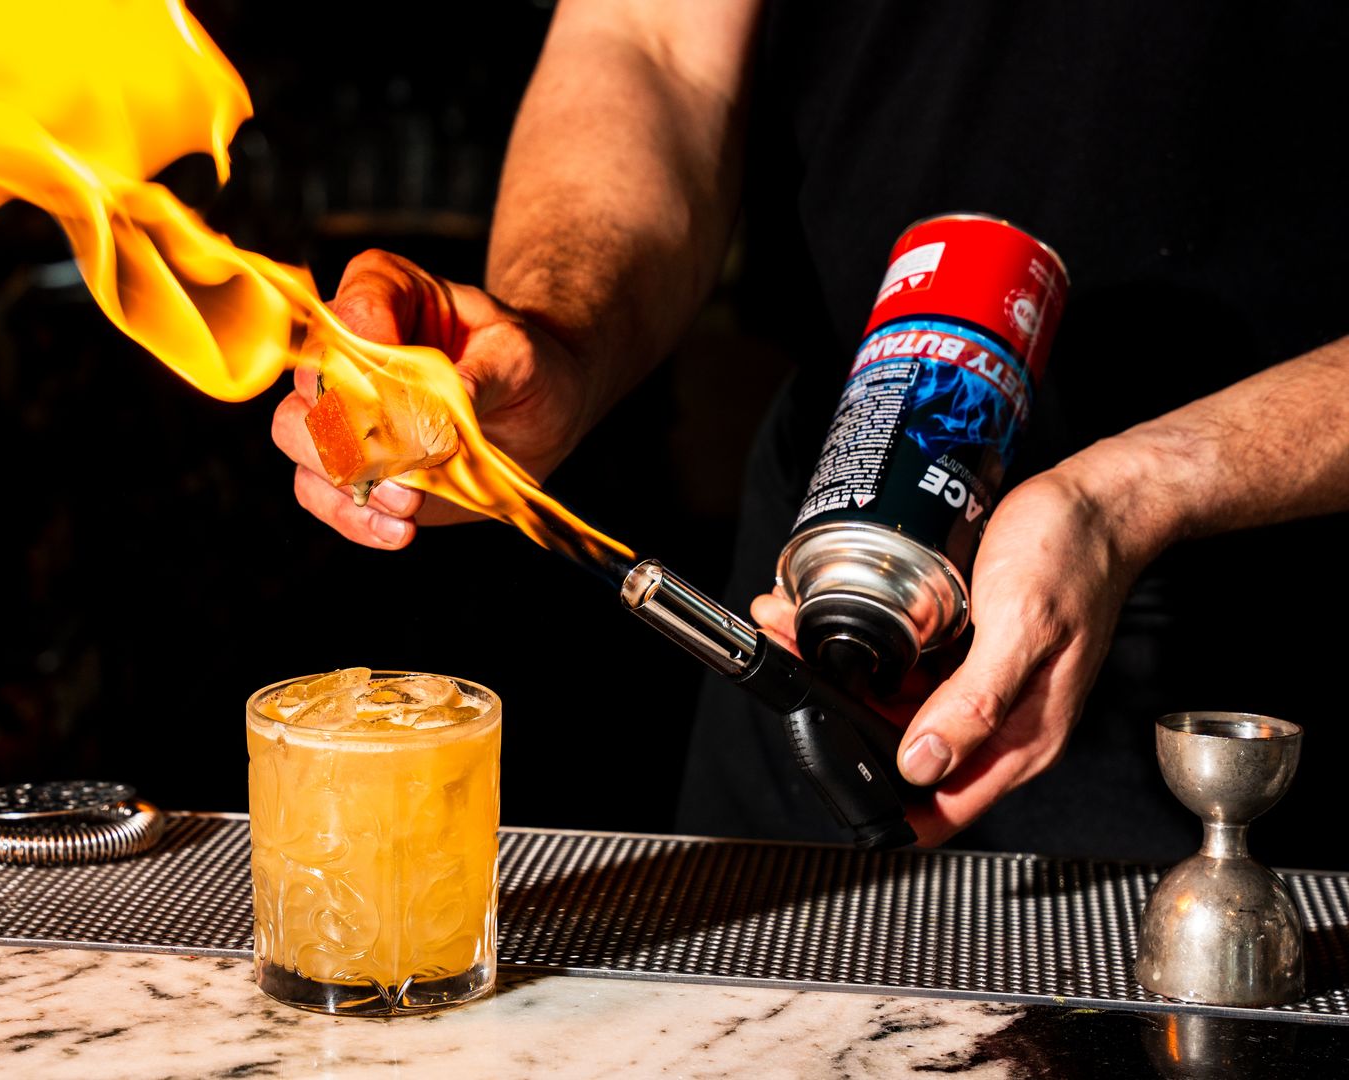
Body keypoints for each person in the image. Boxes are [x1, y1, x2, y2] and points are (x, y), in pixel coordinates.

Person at [269, 0, 1349, 865]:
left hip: (1273, 646)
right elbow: (652, 43)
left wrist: (1143, 488)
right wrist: (556, 338)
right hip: (817, 597)